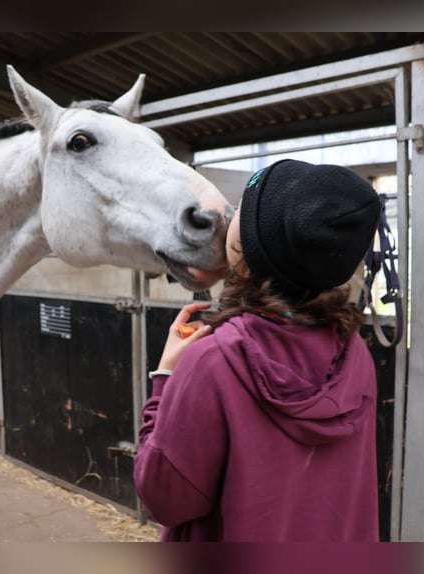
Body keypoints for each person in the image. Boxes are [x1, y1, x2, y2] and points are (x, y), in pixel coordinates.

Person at [133, 158, 381, 542]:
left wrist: (166, 378)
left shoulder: (213, 361)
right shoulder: (355, 356)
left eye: (241, 212)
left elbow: (164, 498)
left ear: (251, 247)